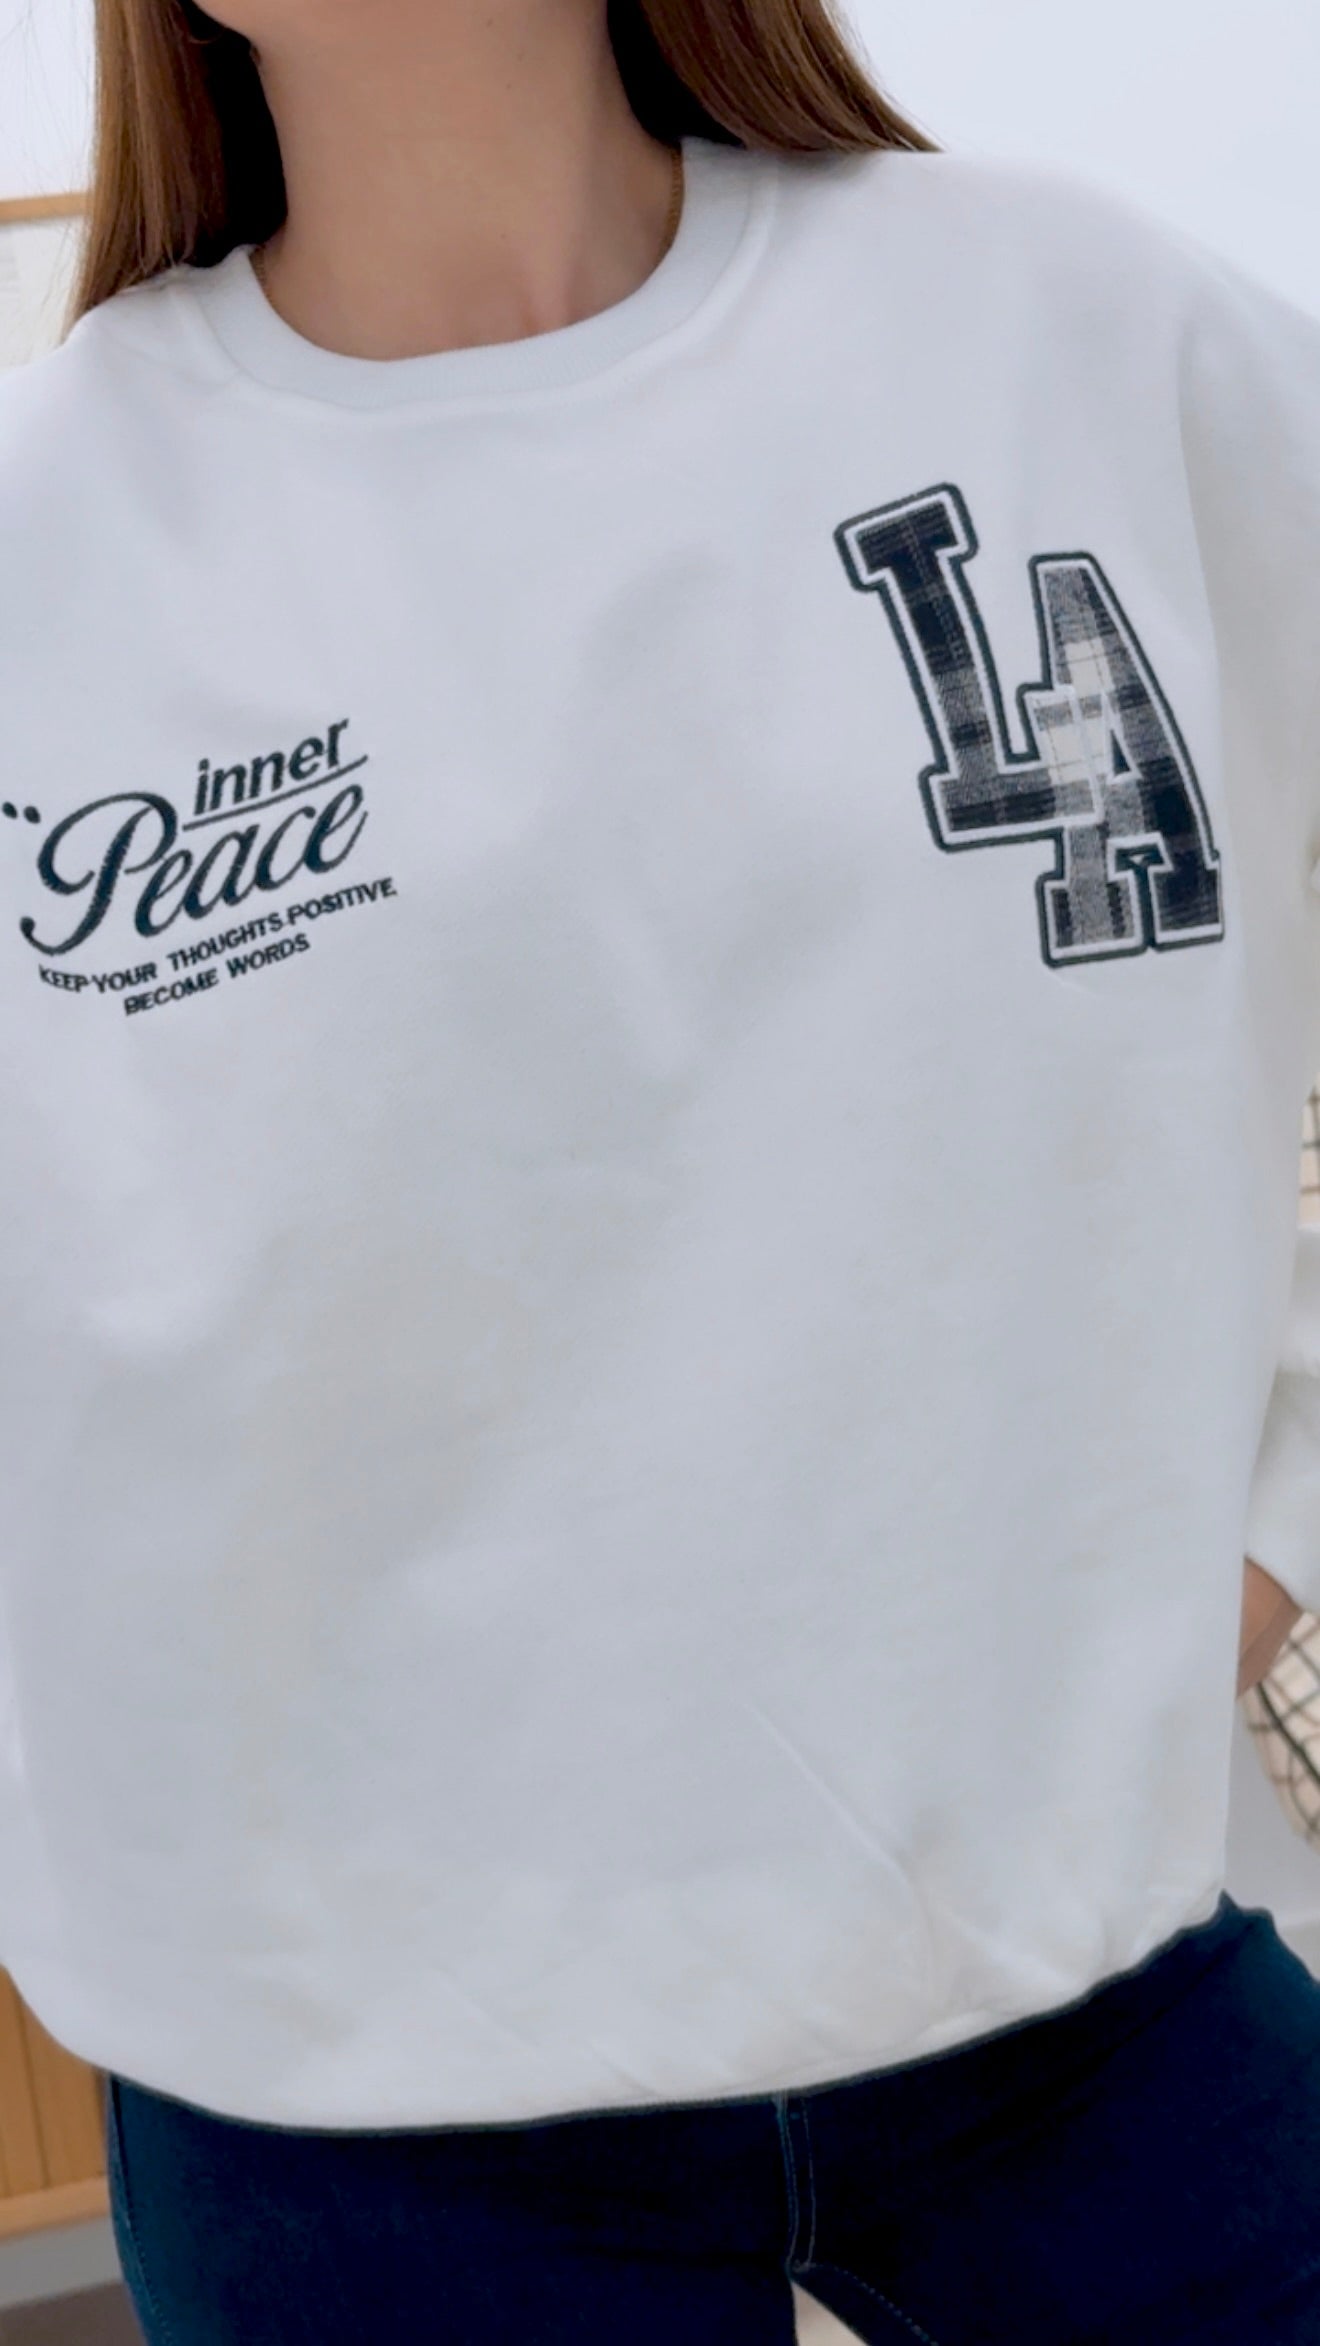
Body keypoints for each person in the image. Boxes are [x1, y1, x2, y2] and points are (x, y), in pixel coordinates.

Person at [2, 0, 1320, 2334]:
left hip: (1097, 1991)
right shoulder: (58, 535)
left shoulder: (1076, 333)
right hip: (343, 2108)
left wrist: (1285, 1519)